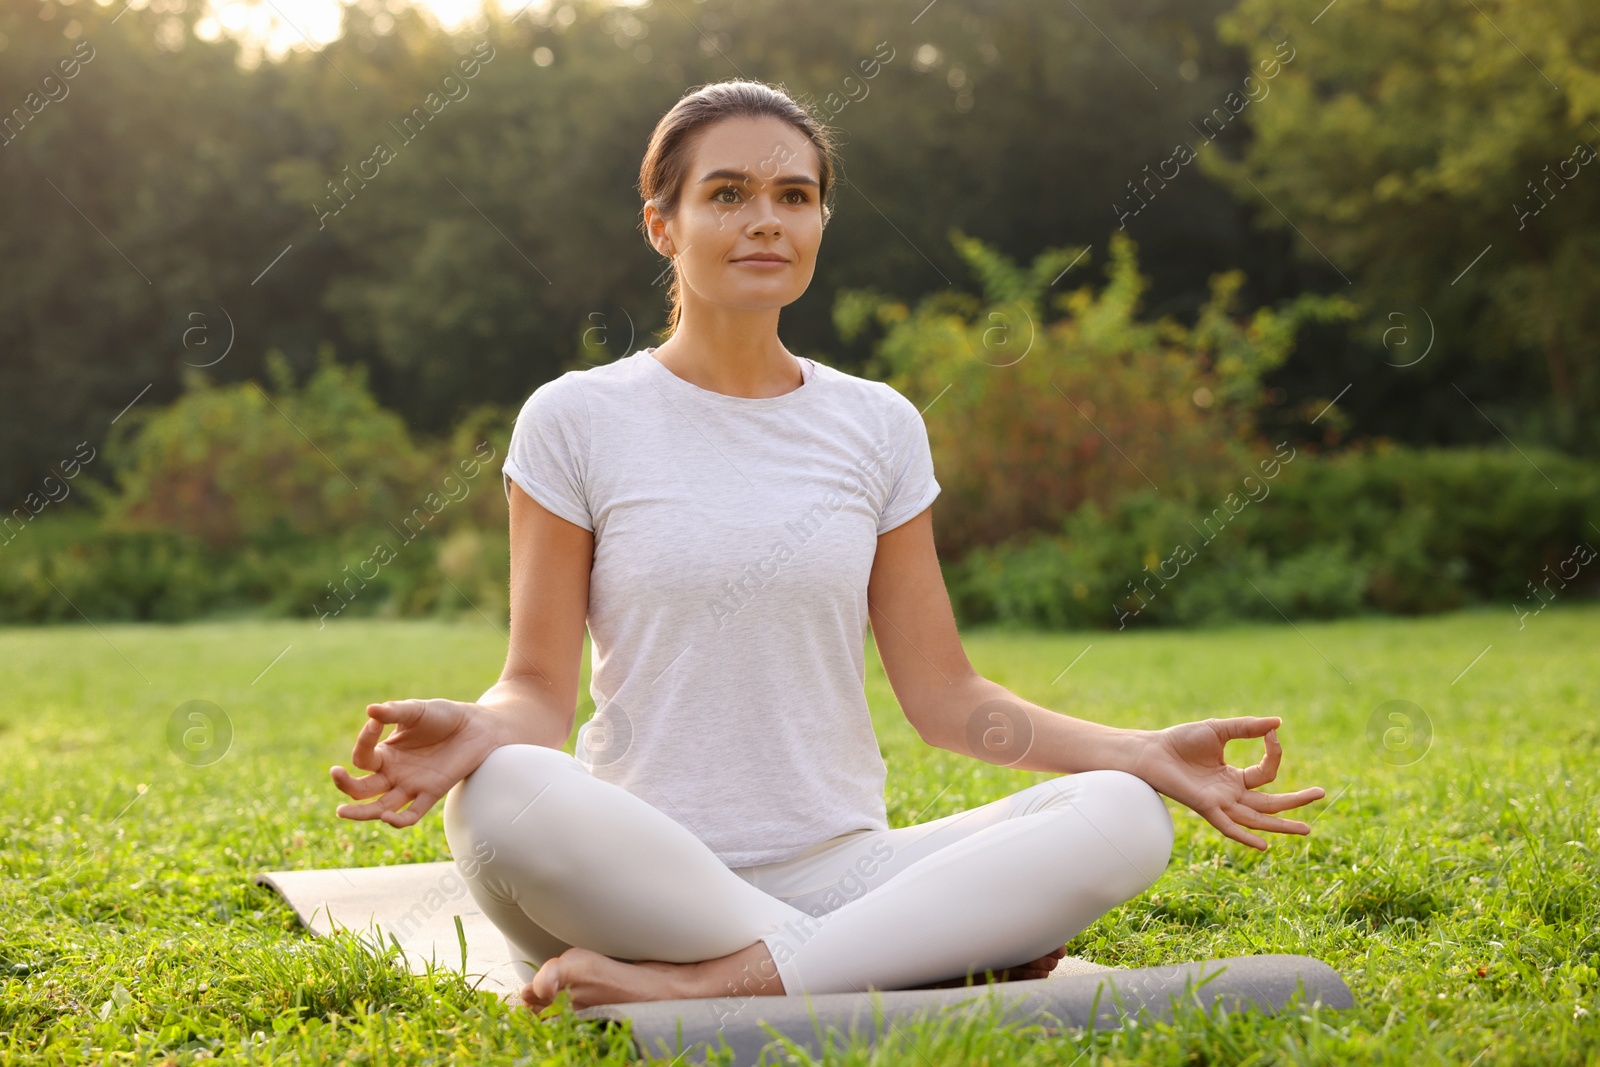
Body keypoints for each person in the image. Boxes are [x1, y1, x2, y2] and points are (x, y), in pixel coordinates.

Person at [329, 78, 1326, 1014]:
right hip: (631, 867)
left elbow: (948, 700)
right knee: (501, 797)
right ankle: (907, 954)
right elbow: (537, 693)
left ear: (817, 222)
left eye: (793, 194)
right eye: (727, 193)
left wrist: (1142, 751)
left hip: (843, 862)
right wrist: (477, 725)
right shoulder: (575, 418)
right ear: (661, 226)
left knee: (1120, 813)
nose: (765, 216)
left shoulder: (877, 423)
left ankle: (720, 982)